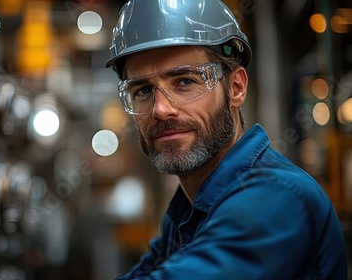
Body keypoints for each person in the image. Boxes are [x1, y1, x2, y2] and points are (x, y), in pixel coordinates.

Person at [105, 0, 348, 279]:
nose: (160, 109)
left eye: (185, 81)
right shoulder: (190, 210)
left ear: (236, 88)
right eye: (143, 90)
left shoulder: (278, 198)